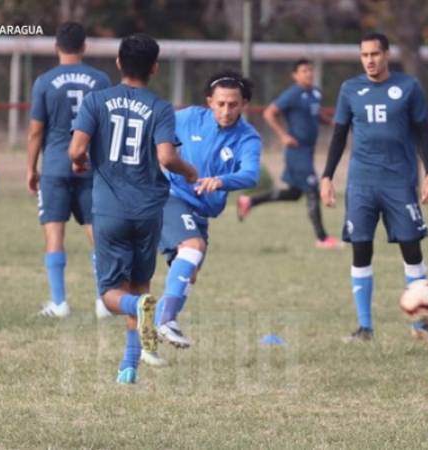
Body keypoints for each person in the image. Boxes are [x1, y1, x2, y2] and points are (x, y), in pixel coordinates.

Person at [68, 34, 197, 383]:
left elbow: (76, 150)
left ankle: (134, 312)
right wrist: (189, 171)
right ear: (155, 67)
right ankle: (128, 367)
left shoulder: (96, 101)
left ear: (119, 63)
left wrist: (81, 162)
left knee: (114, 294)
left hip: (109, 210)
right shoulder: (159, 107)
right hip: (148, 211)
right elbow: (167, 157)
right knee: (141, 284)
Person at [320, 32, 428, 342]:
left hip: (399, 183)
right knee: (361, 250)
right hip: (361, 184)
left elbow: (423, 133)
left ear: (386, 55)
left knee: (412, 249)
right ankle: (364, 327)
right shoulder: (350, 89)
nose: (370, 60)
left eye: (375, 54)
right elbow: (338, 135)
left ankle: (421, 325)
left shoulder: (409, 87)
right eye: (364, 55)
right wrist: (327, 176)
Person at [142, 70, 261, 366]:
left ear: (243, 104)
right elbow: (153, 132)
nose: (226, 110)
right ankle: (167, 320)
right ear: (209, 102)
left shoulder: (248, 137)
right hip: (169, 197)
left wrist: (221, 180)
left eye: (233, 104)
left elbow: (251, 174)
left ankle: (148, 341)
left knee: (189, 273)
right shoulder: (187, 118)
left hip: (200, 212)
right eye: (220, 103)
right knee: (193, 247)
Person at [27, 22, 112, 318]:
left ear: (56, 47)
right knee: (97, 234)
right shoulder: (101, 80)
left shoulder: (45, 81)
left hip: (54, 167)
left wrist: (31, 168)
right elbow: (107, 127)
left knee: (54, 234)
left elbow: (36, 131)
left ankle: (59, 303)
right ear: (84, 46)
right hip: (90, 168)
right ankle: (104, 301)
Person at [237, 59, 341, 249]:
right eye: (304, 71)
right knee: (312, 189)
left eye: (310, 70)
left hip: (308, 151)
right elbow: (269, 113)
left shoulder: (315, 93)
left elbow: (315, 114)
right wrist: (283, 135)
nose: (308, 74)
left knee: (294, 193)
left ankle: (249, 200)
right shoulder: (292, 94)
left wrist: (333, 123)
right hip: (296, 151)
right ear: (295, 75)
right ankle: (322, 238)